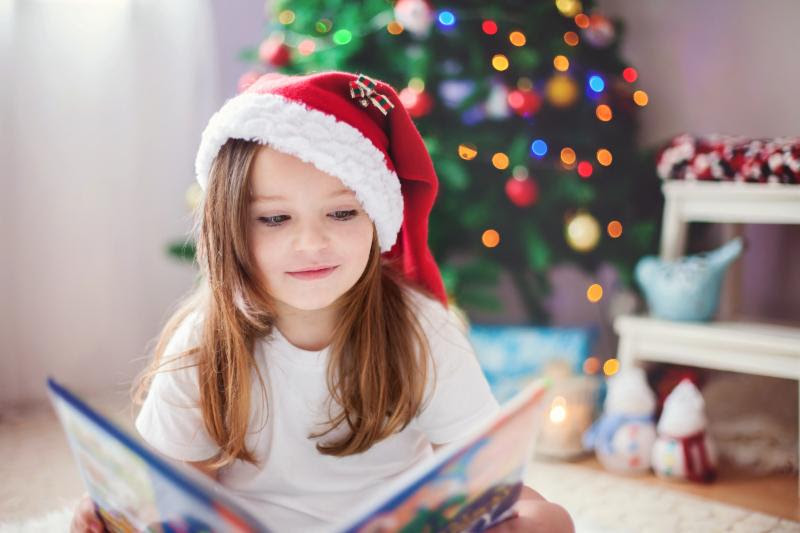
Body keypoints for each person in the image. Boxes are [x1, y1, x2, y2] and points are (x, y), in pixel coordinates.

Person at [70, 71, 573, 533]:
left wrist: (528, 521)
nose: (311, 244)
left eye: (341, 213)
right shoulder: (205, 341)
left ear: (377, 219)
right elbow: (173, 486)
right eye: (274, 219)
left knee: (550, 519)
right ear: (229, 229)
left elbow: (486, 483)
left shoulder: (422, 330)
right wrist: (119, 516)